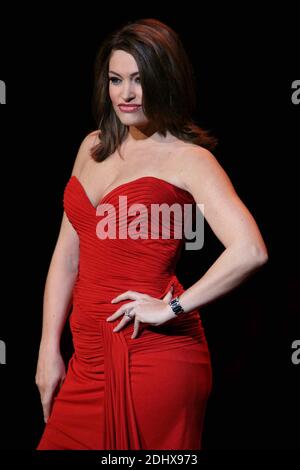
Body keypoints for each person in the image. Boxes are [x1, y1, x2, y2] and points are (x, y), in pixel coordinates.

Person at [35, 18, 268, 450]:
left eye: (140, 81)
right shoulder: (90, 148)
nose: (126, 94)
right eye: (116, 79)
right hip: (86, 357)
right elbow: (67, 255)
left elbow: (250, 249)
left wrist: (173, 306)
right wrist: (48, 348)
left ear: (166, 81)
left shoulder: (189, 159)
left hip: (152, 358)